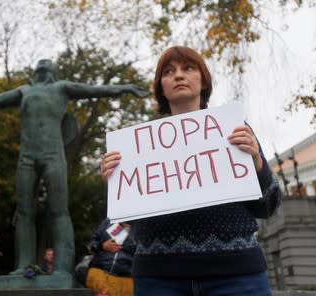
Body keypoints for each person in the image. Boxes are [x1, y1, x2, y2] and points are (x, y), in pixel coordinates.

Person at [100, 46, 282, 296]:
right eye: (168, 71)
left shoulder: (235, 130)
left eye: (188, 68)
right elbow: (126, 220)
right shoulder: (135, 148)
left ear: (203, 81)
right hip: (158, 279)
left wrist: (257, 164)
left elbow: (268, 206)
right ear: (161, 88)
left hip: (238, 274)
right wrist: (115, 182)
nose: (178, 76)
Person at [0, 59, 150, 275]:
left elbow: (96, 89)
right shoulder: (24, 90)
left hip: (53, 156)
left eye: (45, 67)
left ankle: (62, 269)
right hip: (27, 157)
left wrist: (125, 88)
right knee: (24, 212)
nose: (41, 69)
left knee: (59, 211)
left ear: (51, 72)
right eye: (39, 67)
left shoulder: (62, 87)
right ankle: (23, 266)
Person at [85, 218, 135, 296]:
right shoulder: (108, 221)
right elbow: (91, 245)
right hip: (100, 274)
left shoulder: (140, 226)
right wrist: (102, 246)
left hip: (126, 280)